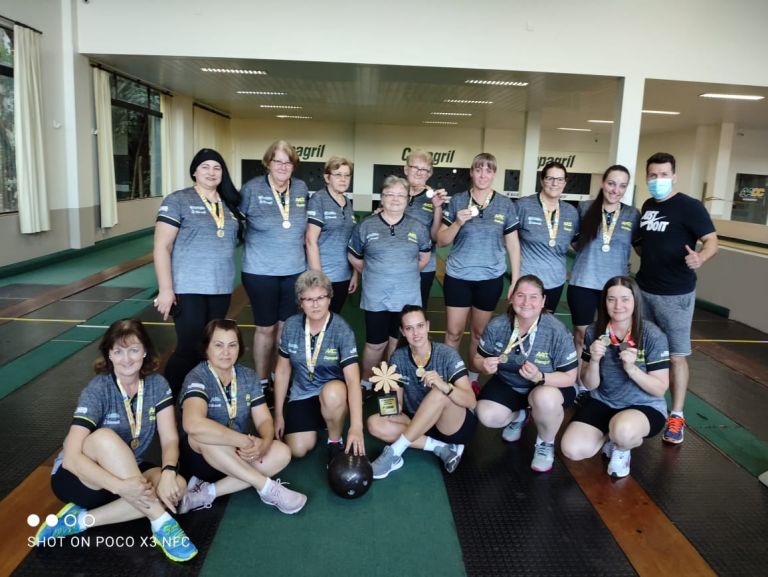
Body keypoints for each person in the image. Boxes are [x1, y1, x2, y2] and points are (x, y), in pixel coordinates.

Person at [35, 320, 197, 562]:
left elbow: (170, 439)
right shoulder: (98, 389)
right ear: (108, 354)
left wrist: (169, 473)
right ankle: (162, 523)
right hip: (81, 479)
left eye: (133, 349)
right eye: (118, 351)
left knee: (177, 487)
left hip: (128, 472)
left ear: (145, 351)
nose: (126, 359)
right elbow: (71, 459)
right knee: (104, 437)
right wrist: (120, 487)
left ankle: (78, 521)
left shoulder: (157, 385)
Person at [178, 319, 307, 514]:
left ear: (240, 348)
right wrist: (243, 440)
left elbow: (264, 419)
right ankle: (267, 488)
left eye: (232, 345)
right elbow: (192, 424)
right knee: (202, 434)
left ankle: (205, 493)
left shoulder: (248, 376)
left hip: (236, 454)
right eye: (218, 345)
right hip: (201, 457)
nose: (226, 352)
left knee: (282, 452)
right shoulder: (198, 377)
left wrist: (264, 442)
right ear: (206, 348)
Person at [633, 152, 718, 444]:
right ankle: (643, 402)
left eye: (664, 174)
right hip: (644, 290)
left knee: (677, 356)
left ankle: (677, 415)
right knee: (642, 350)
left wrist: (701, 258)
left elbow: (712, 241)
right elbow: (646, 244)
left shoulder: (689, 207)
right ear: (647, 177)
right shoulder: (647, 205)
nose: (658, 180)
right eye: (653, 175)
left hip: (676, 295)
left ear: (674, 175)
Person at [154, 148, 243, 397]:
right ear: (194, 171)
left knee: (210, 349)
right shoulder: (178, 200)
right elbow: (162, 246)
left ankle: (199, 396)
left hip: (221, 289)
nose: (211, 172)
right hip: (188, 288)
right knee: (188, 348)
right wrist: (166, 289)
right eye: (205, 167)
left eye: (217, 168)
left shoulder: (229, 204)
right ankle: (167, 401)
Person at [561, 276, 670, 478]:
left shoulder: (652, 335)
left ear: (635, 302)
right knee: (572, 449)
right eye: (611, 299)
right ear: (605, 302)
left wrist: (632, 370)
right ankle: (610, 436)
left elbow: (660, 388)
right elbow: (588, 383)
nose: (618, 305)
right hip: (604, 401)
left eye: (625, 299)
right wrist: (593, 361)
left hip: (643, 406)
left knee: (624, 432)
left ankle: (621, 448)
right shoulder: (594, 331)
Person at [474, 275, 578, 473]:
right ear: (511, 298)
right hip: (510, 384)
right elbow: (476, 360)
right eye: (520, 296)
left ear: (543, 301)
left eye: (533, 297)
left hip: (548, 387)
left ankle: (545, 443)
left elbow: (570, 377)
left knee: (544, 398)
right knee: (486, 414)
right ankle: (521, 415)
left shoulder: (557, 330)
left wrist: (541, 377)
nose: (526, 303)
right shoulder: (497, 326)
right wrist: (483, 366)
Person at [438, 152, 521, 390]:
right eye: (479, 169)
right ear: (472, 172)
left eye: (488, 170)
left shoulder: (505, 204)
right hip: (458, 277)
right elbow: (442, 240)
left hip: (490, 279)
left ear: (494, 174)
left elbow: (513, 244)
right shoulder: (457, 201)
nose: (483, 175)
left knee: (478, 332)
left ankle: (473, 379)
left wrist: (515, 279)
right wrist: (457, 223)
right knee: (453, 333)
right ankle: (450, 376)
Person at [368, 305, 477, 479]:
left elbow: (471, 401)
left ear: (427, 326)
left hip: (452, 425)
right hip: (419, 424)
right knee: (374, 423)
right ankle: (439, 447)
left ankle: (394, 452)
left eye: (419, 326)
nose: (416, 333)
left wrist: (444, 386)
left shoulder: (446, 354)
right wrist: (387, 391)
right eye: (409, 328)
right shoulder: (398, 357)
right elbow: (398, 405)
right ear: (402, 332)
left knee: (438, 392)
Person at [273, 270, 365, 464]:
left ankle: (334, 440)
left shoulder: (341, 329)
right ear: (300, 302)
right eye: (308, 299)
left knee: (332, 394)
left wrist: (356, 426)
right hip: (303, 393)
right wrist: (279, 415)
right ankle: (321, 420)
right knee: (297, 449)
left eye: (320, 297)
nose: (315, 304)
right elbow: (282, 371)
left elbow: (352, 380)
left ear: (329, 299)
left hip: (333, 393)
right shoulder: (291, 326)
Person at [348, 175, 431, 381]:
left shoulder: (418, 227)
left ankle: (392, 381)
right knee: (375, 344)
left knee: (397, 343)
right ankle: (367, 381)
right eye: (390, 194)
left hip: (407, 298)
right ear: (382, 198)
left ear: (408, 198)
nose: (395, 199)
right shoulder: (365, 226)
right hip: (376, 298)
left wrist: (403, 273)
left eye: (400, 195)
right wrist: (375, 272)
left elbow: (423, 259)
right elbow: (354, 256)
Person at [240, 140, 309, 389]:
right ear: (268, 163)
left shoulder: (300, 188)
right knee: (265, 328)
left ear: (293, 165)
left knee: (285, 329)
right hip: (260, 272)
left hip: (294, 272)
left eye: (287, 161)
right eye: (277, 161)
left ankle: (278, 377)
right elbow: (235, 222)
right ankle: (259, 381)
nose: (282, 166)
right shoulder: (252, 189)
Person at [567, 165, 640, 363]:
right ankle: (580, 383)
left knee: (615, 335)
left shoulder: (633, 215)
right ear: (603, 183)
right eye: (611, 183)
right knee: (582, 335)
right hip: (584, 283)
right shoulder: (584, 208)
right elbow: (573, 241)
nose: (616, 190)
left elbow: (640, 247)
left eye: (622, 186)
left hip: (615, 287)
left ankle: (607, 377)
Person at [516, 161, 580, 312]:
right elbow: (508, 239)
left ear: (565, 182)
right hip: (527, 281)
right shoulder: (523, 205)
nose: (554, 183)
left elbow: (578, 244)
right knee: (520, 325)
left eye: (559, 179)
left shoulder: (571, 212)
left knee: (544, 324)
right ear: (542, 180)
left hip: (555, 282)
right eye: (550, 178)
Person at [306, 157, 358, 313]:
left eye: (346, 175)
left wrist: (354, 273)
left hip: (343, 276)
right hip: (322, 277)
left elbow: (352, 242)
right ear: (327, 177)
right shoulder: (318, 200)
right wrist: (318, 279)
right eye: (338, 174)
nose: (343, 179)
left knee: (333, 319)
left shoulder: (347, 203)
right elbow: (310, 240)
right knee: (317, 322)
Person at [403, 149, 449, 308]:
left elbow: (436, 237)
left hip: (423, 268)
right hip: (396, 263)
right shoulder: (395, 193)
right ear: (406, 169)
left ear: (429, 173)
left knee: (417, 311)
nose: (419, 172)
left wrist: (437, 208)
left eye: (424, 169)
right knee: (393, 313)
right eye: (415, 167)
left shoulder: (434, 198)